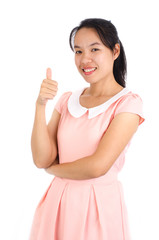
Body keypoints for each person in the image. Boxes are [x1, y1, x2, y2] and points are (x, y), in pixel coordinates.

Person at [30, 18, 144, 240]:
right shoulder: (67, 100)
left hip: (98, 207)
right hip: (57, 203)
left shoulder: (128, 104)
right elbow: (41, 159)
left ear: (115, 51)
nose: (85, 59)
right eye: (78, 51)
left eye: (94, 49)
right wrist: (40, 104)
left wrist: (53, 170)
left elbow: (97, 166)